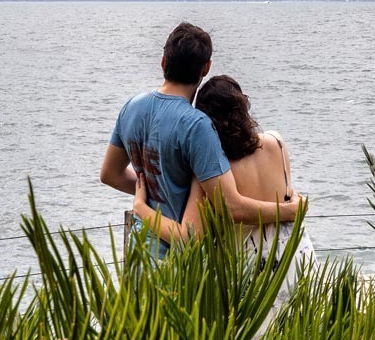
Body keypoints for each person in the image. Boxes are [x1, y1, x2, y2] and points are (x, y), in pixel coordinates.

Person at [100, 24, 302, 257]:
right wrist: (289, 211)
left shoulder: (131, 107)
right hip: (177, 262)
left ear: (163, 62)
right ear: (206, 68)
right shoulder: (197, 125)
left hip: (139, 248)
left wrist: (149, 196)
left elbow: (110, 174)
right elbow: (230, 207)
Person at [133, 73, 316, 291]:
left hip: (251, 273)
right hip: (296, 256)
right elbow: (288, 193)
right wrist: (292, 208)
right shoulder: (276, 142)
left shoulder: (211, 174)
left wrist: (142, 209)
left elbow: (188, 237)